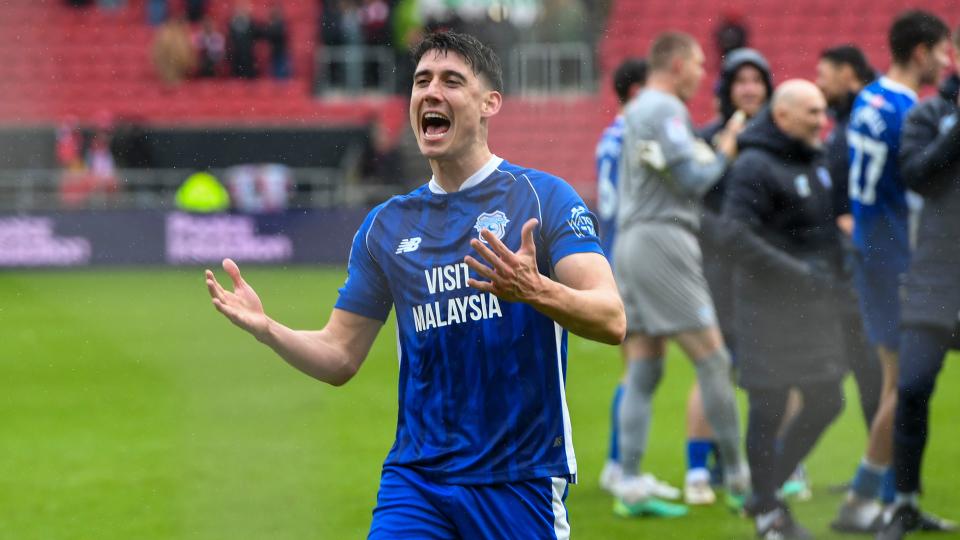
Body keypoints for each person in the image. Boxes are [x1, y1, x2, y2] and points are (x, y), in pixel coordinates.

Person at [205, 31, 625, 539]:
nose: (431, 92)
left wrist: (535, 290)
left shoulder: (544, 198)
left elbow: (611, 318)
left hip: (519, 479)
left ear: (491, 102)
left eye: (452, 81)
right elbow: (339, 356)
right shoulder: (386, 227)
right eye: (422, 81)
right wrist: (269, 329)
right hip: (417, 481)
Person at [611, 31, 749, 518]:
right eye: (696, 66)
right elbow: (694, 180)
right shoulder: (664, 109)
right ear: (675, 64)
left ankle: (628, 481)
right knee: (713, 360)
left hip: (630, 240)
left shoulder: (638, 110)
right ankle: (739, 478)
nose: (701, 76)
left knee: (645, 367)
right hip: (662, 240)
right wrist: (725, 150)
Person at [834, 10, 951, 533]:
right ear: (922, 51)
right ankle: (868, 500)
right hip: (898, 254)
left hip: (868, 246)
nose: (948, 62)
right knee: (900, 383)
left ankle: (885, 496)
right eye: (944, 51)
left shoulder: (869, 97)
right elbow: (920, 185)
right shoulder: (910, 109)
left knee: (895, 380)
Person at [724, 79, 846, 539]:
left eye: (822, 111)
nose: (822, 120)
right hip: (766, 310)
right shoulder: (754, 165)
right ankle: (769, 516)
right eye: (813, 112)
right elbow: (735, 235)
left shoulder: (815, 160)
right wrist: (798, 272)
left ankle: (766, 494)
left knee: (828, 398)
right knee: (768, 405)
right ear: (783, 117)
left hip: (812, 310)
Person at [875, 26, 960, 540]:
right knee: (911, 389)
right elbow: (917, 175)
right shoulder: (929, 114)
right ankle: (903, 504)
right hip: (935, 279)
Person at [685, 47, 773, 507]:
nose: (749, 89)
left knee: (772, 367)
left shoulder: (778, 140)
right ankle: (698, 471)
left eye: (757, 81)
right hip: (719, 270)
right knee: (714, 367)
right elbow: (695, 204)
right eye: (740, 81)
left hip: (767, 274)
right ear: (726, 90)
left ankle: (776, 465)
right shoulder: (707, 138)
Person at [595, 57, 679, 503]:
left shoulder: (610, 136)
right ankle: (618, 467)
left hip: (615, 253)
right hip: (635, 258)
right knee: (641, 366)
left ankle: (617, 465)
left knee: (637, 366)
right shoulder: (634, 135)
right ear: (636, 93)